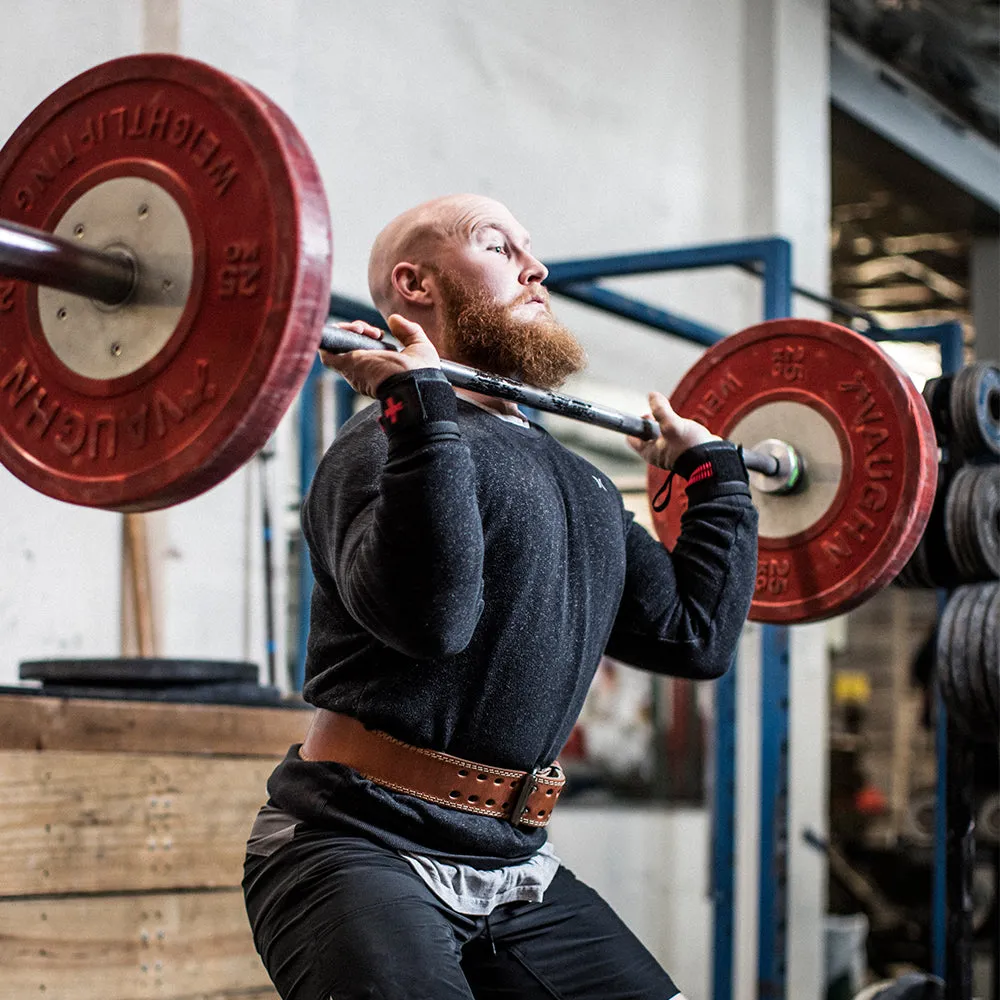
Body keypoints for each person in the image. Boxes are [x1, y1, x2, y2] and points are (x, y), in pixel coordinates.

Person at [242, 194, 758, 1000]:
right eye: (499, 245)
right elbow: (430, 620)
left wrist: (716, 483)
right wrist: (417, 412)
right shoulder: (374, 448)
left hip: (513, 865)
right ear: (416, 284)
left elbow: (694, 638)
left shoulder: (580, 482)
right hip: (357, 841)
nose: (537, 266)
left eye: (532, 246)